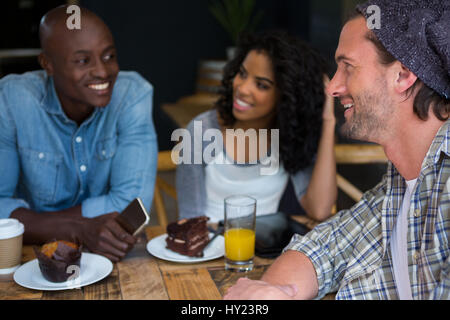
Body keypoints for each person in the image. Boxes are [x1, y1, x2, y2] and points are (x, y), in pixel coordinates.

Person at [224, 0, 450, 300]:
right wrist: (273, 294)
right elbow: (324, 247)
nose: (332, 87)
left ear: (403, 75)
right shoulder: (400, 184)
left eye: (348, 67)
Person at [0, 6, 158, 262]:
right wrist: (77, 229)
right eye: (83, 61)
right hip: (31, 262)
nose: (102, 71)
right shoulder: (11, 100)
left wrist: (34, 223)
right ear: (47, 64)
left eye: (109, 56)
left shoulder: (132, 94)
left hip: (110, 258)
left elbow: (132, 206)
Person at [176, 31, 337, 223]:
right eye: (242, 74)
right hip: (210, 248)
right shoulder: (200, 131)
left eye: (261, 85)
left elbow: (319, 210)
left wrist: (328, 121)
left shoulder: (291, 136)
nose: (243, 89)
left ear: (287, 95)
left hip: (266, 250)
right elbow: (189, 220)